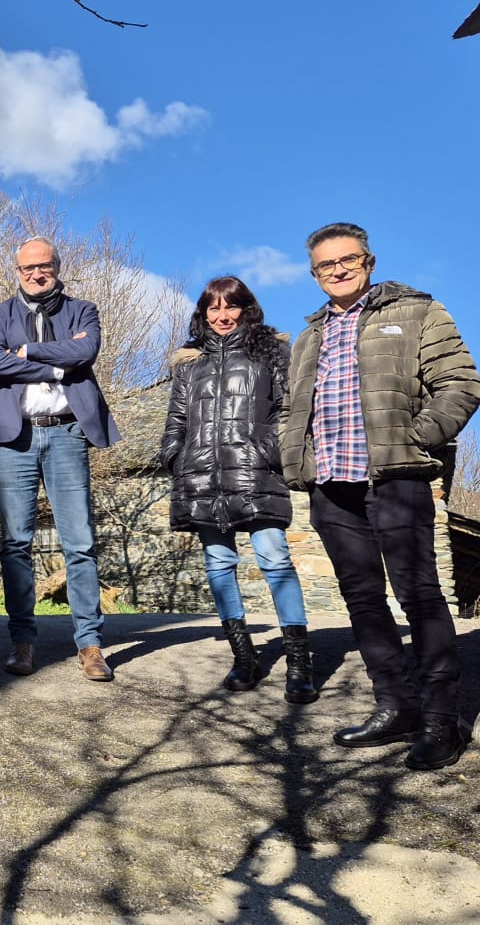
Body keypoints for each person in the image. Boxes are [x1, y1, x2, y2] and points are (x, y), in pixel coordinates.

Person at [281, 222, 480, 770]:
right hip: (331, 487)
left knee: (418, 594)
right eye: (326, 265)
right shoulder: (309, 336)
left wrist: (414, 439)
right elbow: (290, 410)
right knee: (363, 600)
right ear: (314, 274)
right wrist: (293, 455)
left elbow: (461, 384)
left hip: (395, 480)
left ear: (368, 261)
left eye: (349, 260)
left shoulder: (418, 312)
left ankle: (442, 719)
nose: (339, 270)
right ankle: (395, 707)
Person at [160, 276, 317, 703]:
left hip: (256, 474)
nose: (222, 315)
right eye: (214, 308)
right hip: (202, 478)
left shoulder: (272, 353)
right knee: (218, 564)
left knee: (275, 560)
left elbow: (291, 411)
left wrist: (264, 450)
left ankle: (299, 662)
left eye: (230, 306)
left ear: (247, 308)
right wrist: (177, 456)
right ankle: (243, 656)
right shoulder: (189, 365)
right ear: (203, 313)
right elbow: (175, 423)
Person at [0, 236, 121, 680]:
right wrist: (58, 367)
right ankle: (22, 641)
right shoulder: (1, 314)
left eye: (44, 266)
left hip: (67, 433)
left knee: (79, 542)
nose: (36, 274)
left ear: (57, 267)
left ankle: (90, 645)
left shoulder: (84, 310)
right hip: (14, 438)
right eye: (27, 269)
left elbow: (85, 351)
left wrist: (27, 352)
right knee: (15, 543)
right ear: (17, 272)